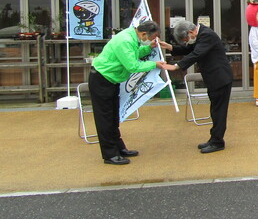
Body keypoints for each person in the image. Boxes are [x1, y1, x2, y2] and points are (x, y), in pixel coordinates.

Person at [89, 20, 175, 165]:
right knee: (105, 118)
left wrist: (149, 48)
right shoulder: (125, 40)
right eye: (149, 38)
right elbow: (132, 65)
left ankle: (119, 148)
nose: (148, 41)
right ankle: (109, 154)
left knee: (113, 117)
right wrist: (154, 64)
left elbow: (134, 54)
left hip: (111, 79)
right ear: (143, 33)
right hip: (102, 79)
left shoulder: (131, 36)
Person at [159, 20, 234, 153]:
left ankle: (217, 142)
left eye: (186, 38)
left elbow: (196, 54)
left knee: (219, 112)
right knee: (215, 110)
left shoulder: (207, 35)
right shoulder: (201, 35)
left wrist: (177, 66)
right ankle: (214, 139)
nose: (187, 41)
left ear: (190, 32)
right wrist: (170, 47)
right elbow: (190, 49)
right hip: (215, 78)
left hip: (220, 78)